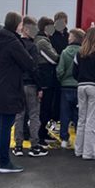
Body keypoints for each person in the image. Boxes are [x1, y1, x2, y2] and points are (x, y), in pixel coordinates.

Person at [0, 12, 35, 173]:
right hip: (10, 89)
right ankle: (5, 162)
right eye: (21, 23)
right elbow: (28, 63)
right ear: (16, 24)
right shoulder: (13, 42)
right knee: (6, 127)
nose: (22, 26)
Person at [12, 16, 49, 158]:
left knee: (19, 116)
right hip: (32, 84)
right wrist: (40, 87)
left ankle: (18, 146)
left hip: (19, 84)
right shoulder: (32, 47)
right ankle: (34, 146)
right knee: (34, 115)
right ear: (26, 29)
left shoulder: (16, 44)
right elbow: (35, 68)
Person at [72, 26, 95, 160]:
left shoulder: (79, 53)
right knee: (93, 119)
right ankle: (89, 152)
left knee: (82, 119)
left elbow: (74, 73)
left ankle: (78, 149)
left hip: (81, 86)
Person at [56, 28, 85, 148]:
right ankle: (79, 139)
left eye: (69, 36)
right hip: (79, 86)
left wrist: (62, 80)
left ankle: (64, 139)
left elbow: (60, 70)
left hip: (66, 87)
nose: (68, 38)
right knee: (78, 114)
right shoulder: (84, 52)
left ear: (73, 38)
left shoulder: (65, 52)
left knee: (65, 114)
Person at [34, 16, 59, 145]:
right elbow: (54, 58)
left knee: (45, 109)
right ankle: (40, 136)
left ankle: (42, 133)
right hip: (45, 79)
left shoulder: (43, 40)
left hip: (45, 79)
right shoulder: (42, 42)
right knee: (44, 109)